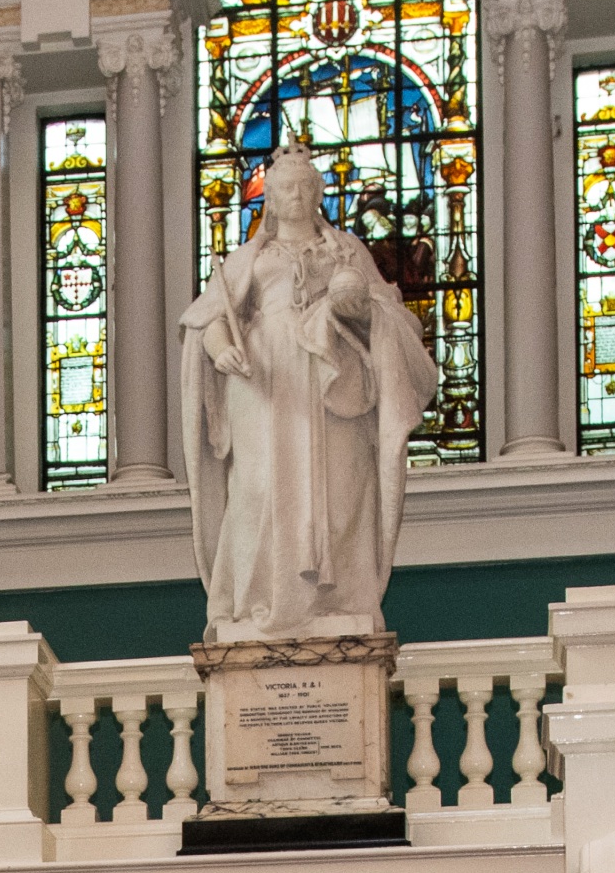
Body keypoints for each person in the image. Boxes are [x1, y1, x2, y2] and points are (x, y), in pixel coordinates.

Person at [179, 139, 439, 640]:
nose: (295, 195)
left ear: (318, 193)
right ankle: (260, 601)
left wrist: (354, 309)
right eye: (284, 187)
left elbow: (386, 312)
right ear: (269, 199)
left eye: (304, 186)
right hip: (264, 382)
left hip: (331, 378)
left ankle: (338, 600)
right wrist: (220, 350)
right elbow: (207, 318)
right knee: (259, 489)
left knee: (341, 489)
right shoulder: (249, 257)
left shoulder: (346, 249)